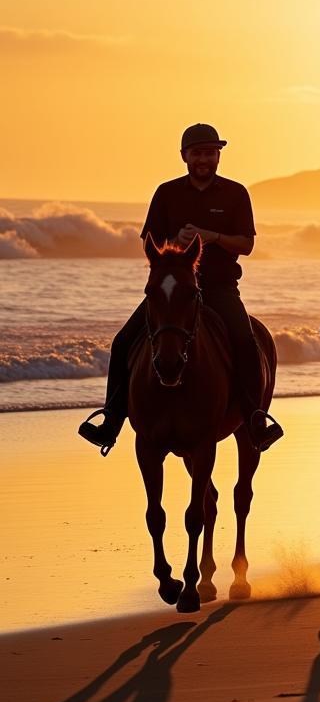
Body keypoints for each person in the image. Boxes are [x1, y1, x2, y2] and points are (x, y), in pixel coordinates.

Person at [78, 123, 283, 454]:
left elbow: (246, 244)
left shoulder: (235, 193)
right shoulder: (166, 193)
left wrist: (211, 236)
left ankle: (255, 420)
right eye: (197, 152)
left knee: (246, 342)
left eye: (210, 152)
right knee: (122, 342)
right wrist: (174, 243)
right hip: (172, 293)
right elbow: (150, 242)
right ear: (184, 156)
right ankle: (111, 422)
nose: (204, 158)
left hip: (220, 288)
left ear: (218, 156)